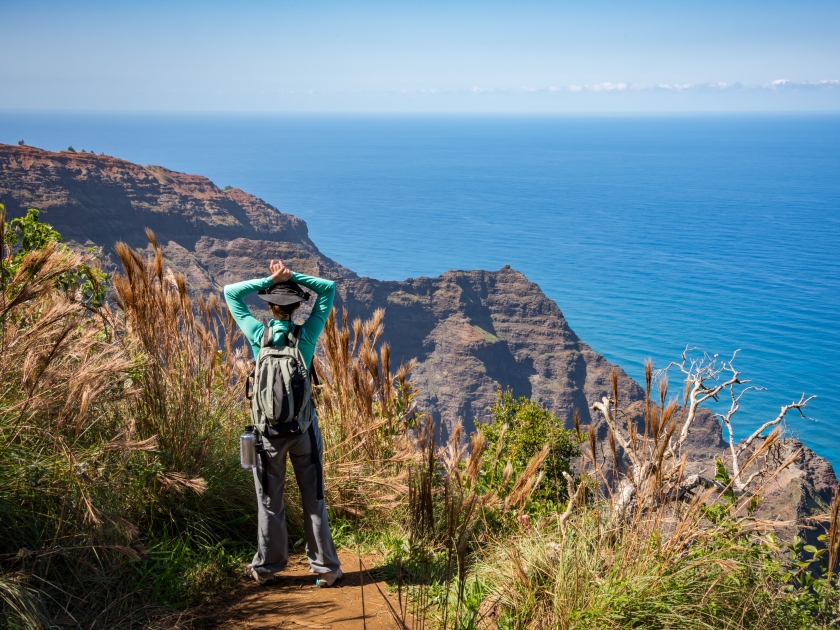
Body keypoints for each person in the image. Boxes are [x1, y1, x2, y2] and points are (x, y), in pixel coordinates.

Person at [224, 260, 342, 587]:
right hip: (303, 432)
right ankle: (326, 569)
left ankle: (266, 568)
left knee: (269, 503)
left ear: (271, 306)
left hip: (266, 436)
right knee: (313, 499)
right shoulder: (306, 336)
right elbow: (329, 289)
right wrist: (293, 277)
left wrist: (270, 279)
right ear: (296, 308)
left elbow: (230, 292)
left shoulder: (256, 334)